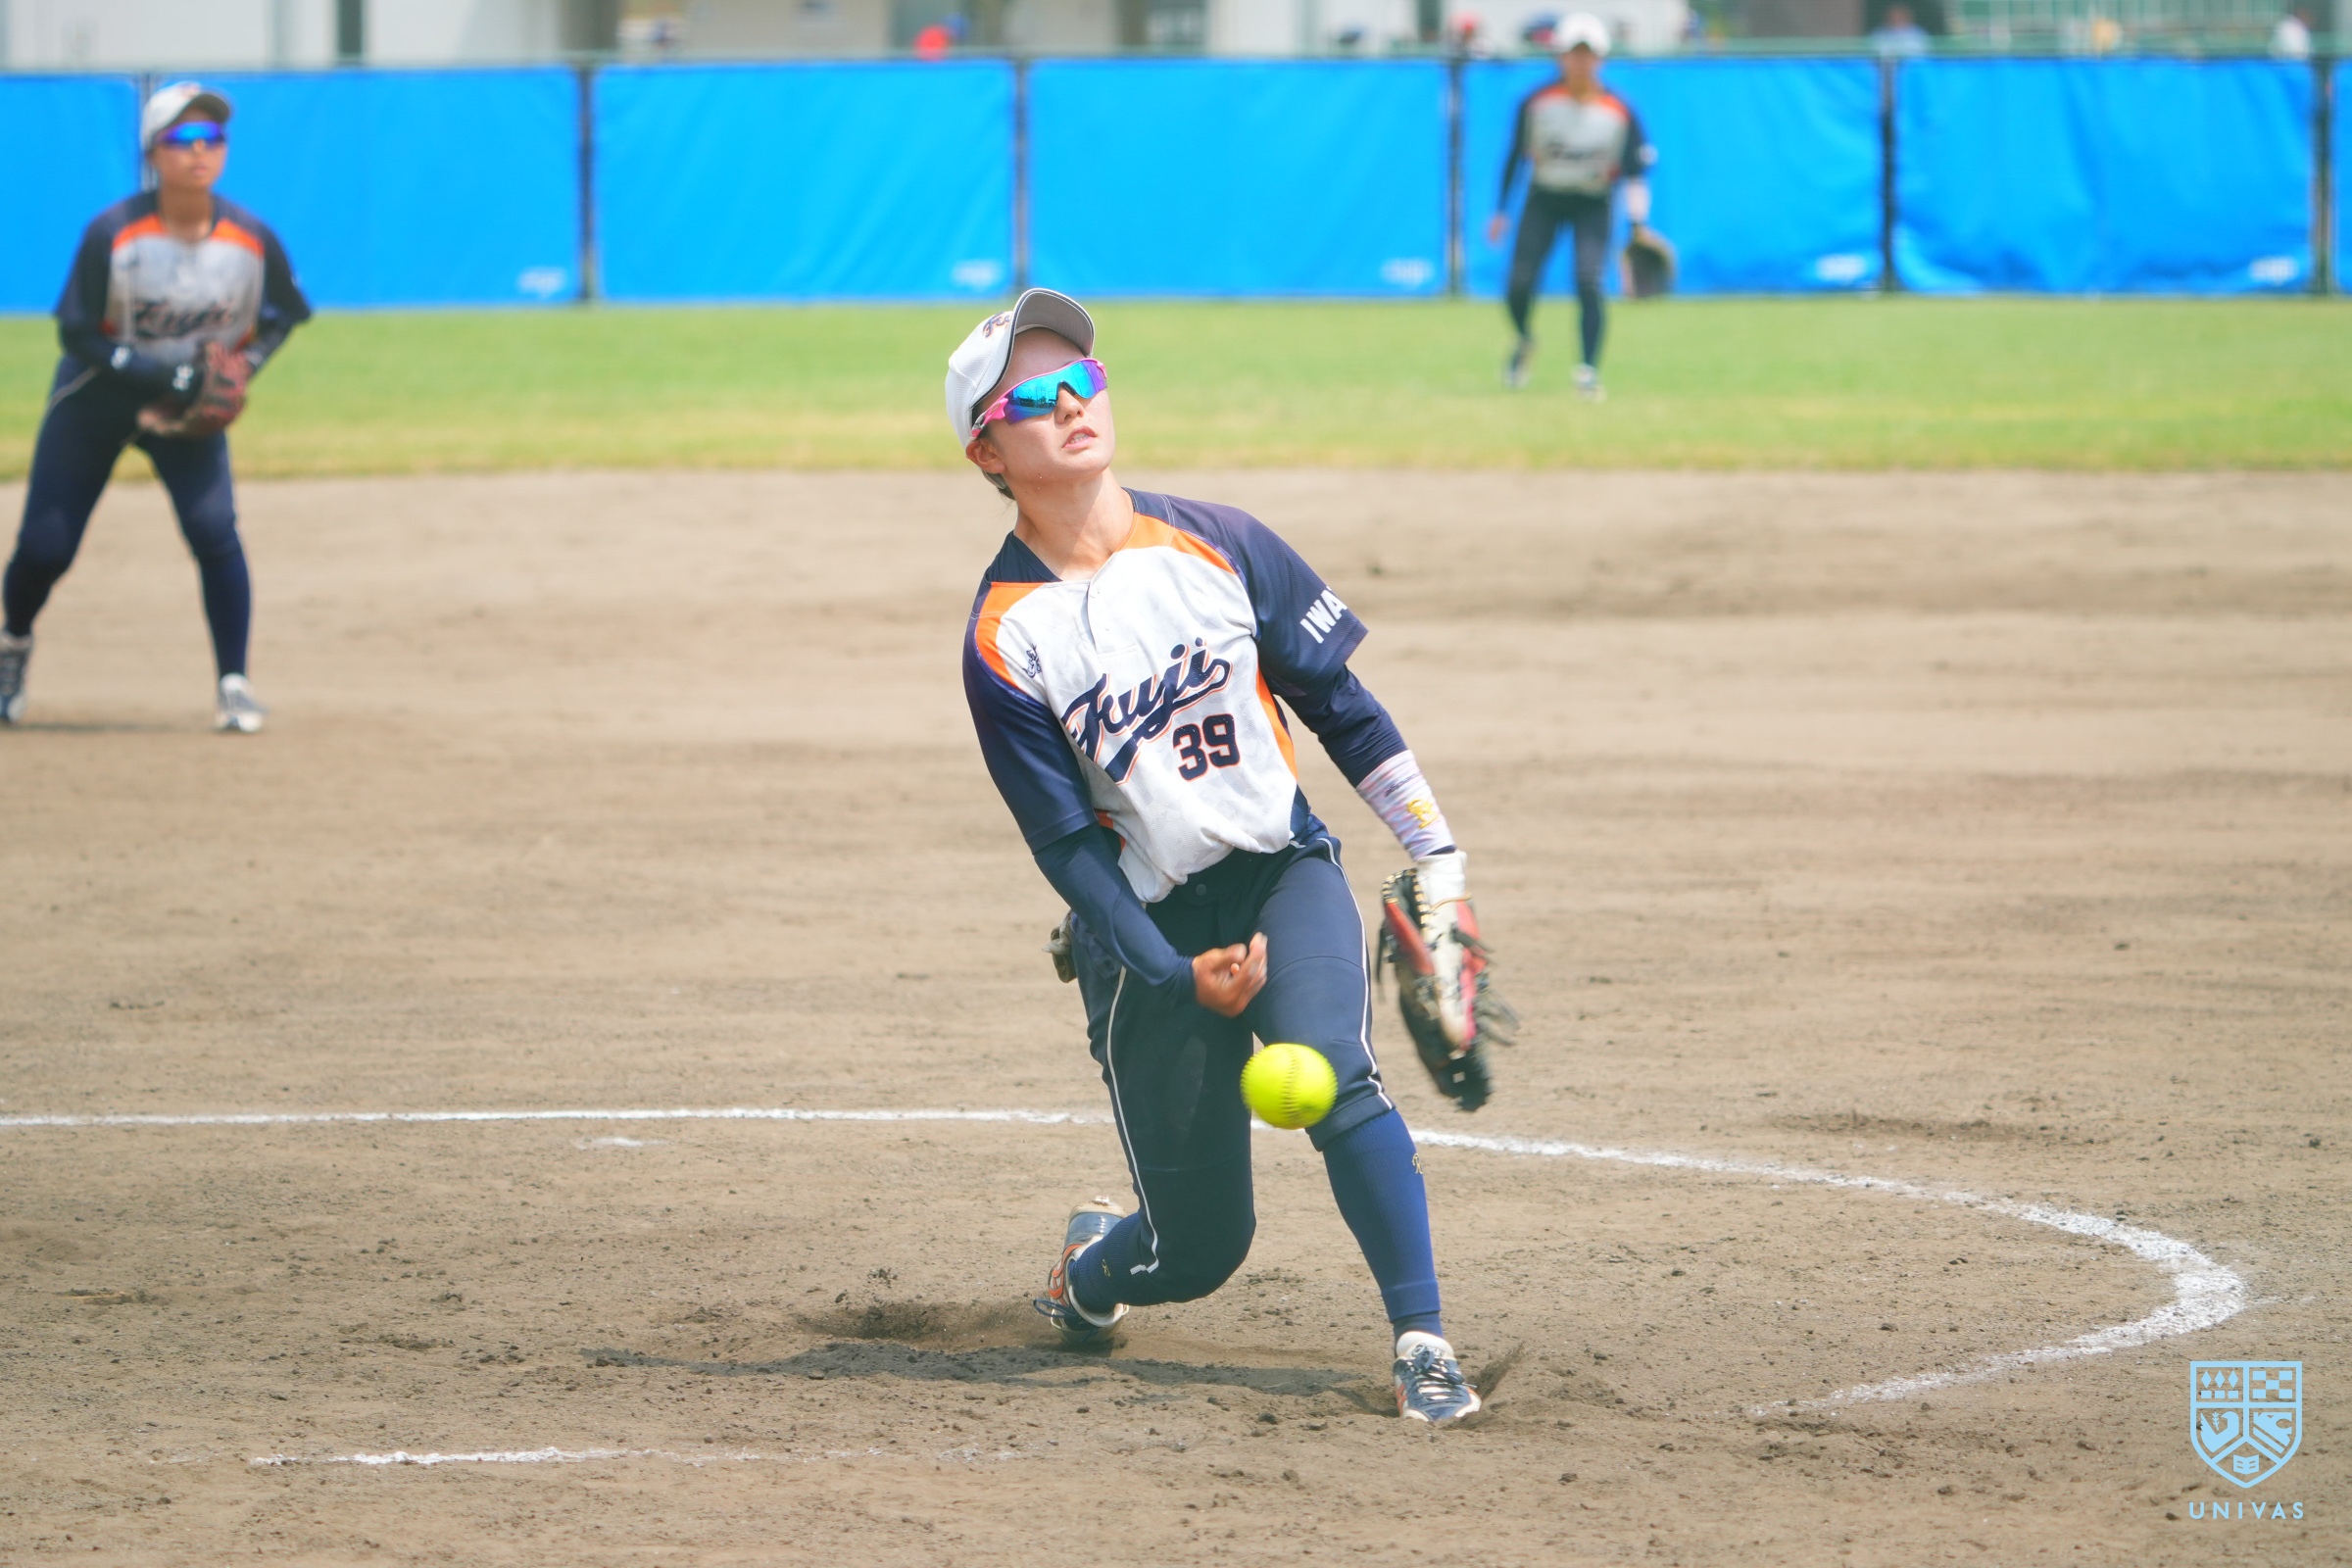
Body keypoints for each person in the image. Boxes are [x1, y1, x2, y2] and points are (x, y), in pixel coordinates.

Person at [952, 289, 1509, 1425]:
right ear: (988, 452)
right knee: (1201, 1248)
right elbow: (1065, 845)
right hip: (1146, 928)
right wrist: (1167, 972)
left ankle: (1423, 1343)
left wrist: (1437, 853)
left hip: (1278, 870)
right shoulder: (1005, 638)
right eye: (1035, 396)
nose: (1072, 405)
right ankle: (1087, 1275)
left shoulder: (1221, 541)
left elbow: (1343, 709)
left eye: (1083, 380)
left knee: (1335, 1074)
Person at [0, 81, 310, 732]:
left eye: (213, 137)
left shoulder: (251, 238)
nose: (200, 151)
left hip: (188, 409)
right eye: (183, 138)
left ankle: (234, 684)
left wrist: (245, 366)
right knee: (47, 547)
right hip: (97, 399)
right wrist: (159, 375)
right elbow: (77, 333)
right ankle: (13, 644)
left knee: (214, 531)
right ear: (152, 153)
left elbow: (285, 314)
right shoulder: (113, 234)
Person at [1485, 12, 1654, 400]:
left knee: (1589, 281)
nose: (1580, 62)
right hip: (1544, 196)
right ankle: (1525, 339)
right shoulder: (1537, 103)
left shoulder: (1619, 110)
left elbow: (1635, 172)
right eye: (1573, 53)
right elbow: (1515, 156)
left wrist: (1638, 225)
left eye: (1587, 54)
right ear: (1559, 56)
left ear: (1601, 58)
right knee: (1519, 283)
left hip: (1593, 201)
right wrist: (1501, 211)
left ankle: (1587, 371)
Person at [1868, 1, 1933, 55]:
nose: (1896, 17)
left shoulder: (1918, 32)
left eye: (1899, 14)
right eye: (1893, 14)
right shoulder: (1879, 33)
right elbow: (1873, 52)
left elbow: (1922, 54)